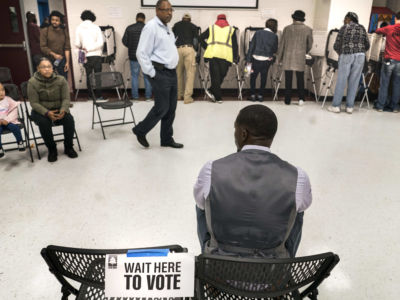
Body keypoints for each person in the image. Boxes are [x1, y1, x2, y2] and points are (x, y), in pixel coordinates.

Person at [194, 104, 312, 258]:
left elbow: (200, 203)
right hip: (272, 274)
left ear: (243, 133)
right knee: (297, 211)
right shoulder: (298, 176)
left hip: (219, 269)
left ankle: (209, 254)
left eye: (235, 130)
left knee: (203, 203)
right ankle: (285, 259)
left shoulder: (211, 169)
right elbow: (304, 204)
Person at [132, 0, 183, 149]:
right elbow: (141, 53)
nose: (169, 13)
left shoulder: (167, 27)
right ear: (157, 10)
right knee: (162, 107)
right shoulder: (151, 27)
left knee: (171, 108)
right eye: (165, 10)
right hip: (160, 73)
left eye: (171, 10)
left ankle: (166, 139)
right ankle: (140, 130)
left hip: (171, 73)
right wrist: (152, 73)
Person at [28, 57, 78, 162]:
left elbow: (66, 98)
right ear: (38, 69)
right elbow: (34, 103)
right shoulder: (32, 82)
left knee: (69, 120)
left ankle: (68, 147)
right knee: (44, 123)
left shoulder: (61, 80)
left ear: (52, 68)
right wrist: (46, 113)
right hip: (41, 111)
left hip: (59, 109)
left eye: (49, 67)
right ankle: (52, 149)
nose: (47, 69)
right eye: (43, 67)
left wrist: (63, 109)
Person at [328, 12, 370, 114]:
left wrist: (341, 53)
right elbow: (367, 45)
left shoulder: (344, 27)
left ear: (348, 19)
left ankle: (336, 106)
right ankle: (349, 107)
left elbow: (336, 45)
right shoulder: (362, 28)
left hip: (347, 54)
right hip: (360, 56)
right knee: (354, 81)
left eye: (344, 18)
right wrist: (360, 51)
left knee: (342, 80)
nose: (343, 20)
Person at [200, 14, 239, 103]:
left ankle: (211, 90)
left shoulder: (212, 28)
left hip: (215, 55)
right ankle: (218, 97)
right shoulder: (231, 30)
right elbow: (235, 45)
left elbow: (200, 38)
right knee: (220, 75)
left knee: (216, 76)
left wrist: (207, 47)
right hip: (225, 56)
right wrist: (235, 57)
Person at [277, 10, 313, 106]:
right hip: (300, 56)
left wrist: (279, 59)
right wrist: (304, 51)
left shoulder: (287, 29)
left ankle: (287, 99)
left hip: (288, 57)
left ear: (293, 18)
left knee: (288, 79)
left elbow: (282, 45)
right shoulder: (308, 29)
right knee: (300, 78)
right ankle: (301, 99)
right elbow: (310, 45)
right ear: (302, 19)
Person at [245, 19, 278, 102]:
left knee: (253, 77)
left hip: (255, 59)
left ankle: (252, 95)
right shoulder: (274, 36)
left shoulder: (258, 33)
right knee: (263, 77)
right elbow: (275, 49)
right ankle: (260, 95)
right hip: (266, 60)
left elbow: (251, 47)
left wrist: (248, 59)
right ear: (275, 26)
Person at [373, 11, 400, 113]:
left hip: (389, 60)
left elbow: (377, 31)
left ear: (395, 19)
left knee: (384, 83)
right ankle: (394, 107)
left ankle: (380, 106)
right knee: (397, 84)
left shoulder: (390, 28)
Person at [75, 10, 104, 100]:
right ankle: (99, 96)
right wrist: (91, 49)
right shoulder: (96, 27)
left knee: (89, 76)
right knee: (98, 76)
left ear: (83, 17)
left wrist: (85, 48)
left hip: (85, 55)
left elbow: (76, 43)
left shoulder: (78, 28)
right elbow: (101, 43)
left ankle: (91, 96)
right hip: (96, 55)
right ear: (92, 17)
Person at [122, 12, 152, 101]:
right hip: (145, 56)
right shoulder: (148, 28)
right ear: (144, 19)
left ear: (136, 19)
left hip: (133, 55)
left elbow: (124, 41)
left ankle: (135, 97)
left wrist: (131, 46)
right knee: (147, 76)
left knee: (134, 76)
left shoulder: (129, 28)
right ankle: (148, 97)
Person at [173, 13, 199, 104]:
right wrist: (195, 51)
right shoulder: (193, 26)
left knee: (178, 74)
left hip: (177, 50)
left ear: (182, 19)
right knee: (190, 74)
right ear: (190, 20)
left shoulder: (176, 25)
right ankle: (187, 98)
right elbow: (196, 40)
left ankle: (179, 95)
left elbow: (172, 38)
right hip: (188, 49)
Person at [40, 10, 71, 79]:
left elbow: (67, 48)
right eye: (53, 20)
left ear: (60, 22)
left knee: (63, 79)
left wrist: (67, 62)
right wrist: (54, 55)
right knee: (49, 80)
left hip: (61, 59)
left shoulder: (64, 31)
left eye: (57, 20)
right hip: (49, 59)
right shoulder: (45, 30)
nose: (54, 22)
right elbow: (43, 47)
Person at [0, 83, 25, 158]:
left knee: (15, 128)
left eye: (2, 90)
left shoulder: (8, 99)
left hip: (9, 121)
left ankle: (20, 142)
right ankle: (0, 148)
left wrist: (7, 120)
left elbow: (14, 111)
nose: (1, 92)